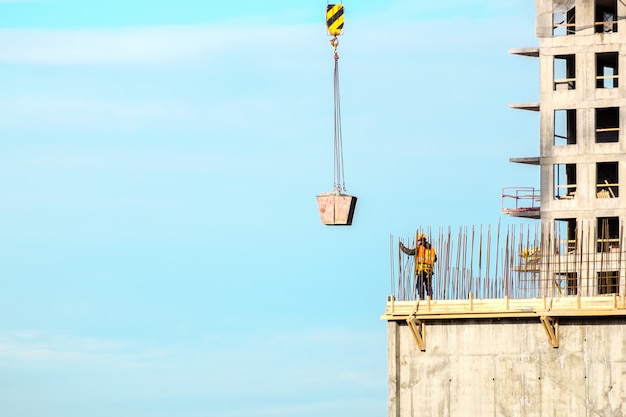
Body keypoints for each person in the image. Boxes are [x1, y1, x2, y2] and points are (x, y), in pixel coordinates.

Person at [400, 233, 437, 300]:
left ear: (421, 240)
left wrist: (402, 247)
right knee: (428, 286)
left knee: (419, 284)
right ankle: (430, 299)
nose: (417, 242)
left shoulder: (420, 248)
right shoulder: (432, 249)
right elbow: (435, 259)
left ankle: (421, 297)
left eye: (418, 241)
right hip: (429, 271)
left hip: (422, 270)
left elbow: (410, 252)